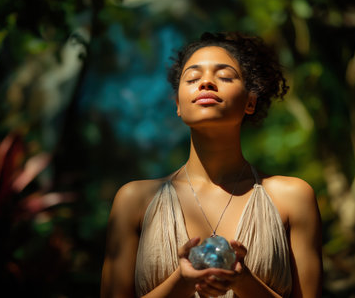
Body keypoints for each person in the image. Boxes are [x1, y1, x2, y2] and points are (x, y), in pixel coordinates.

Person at [101, 32, 322, 298]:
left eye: (225, 76)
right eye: (192, 78)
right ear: (178, 105)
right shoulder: (134, 201)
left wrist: (244, 282)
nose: (206, 82)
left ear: (250, 102)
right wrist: (180, 283)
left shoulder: (292, 198)